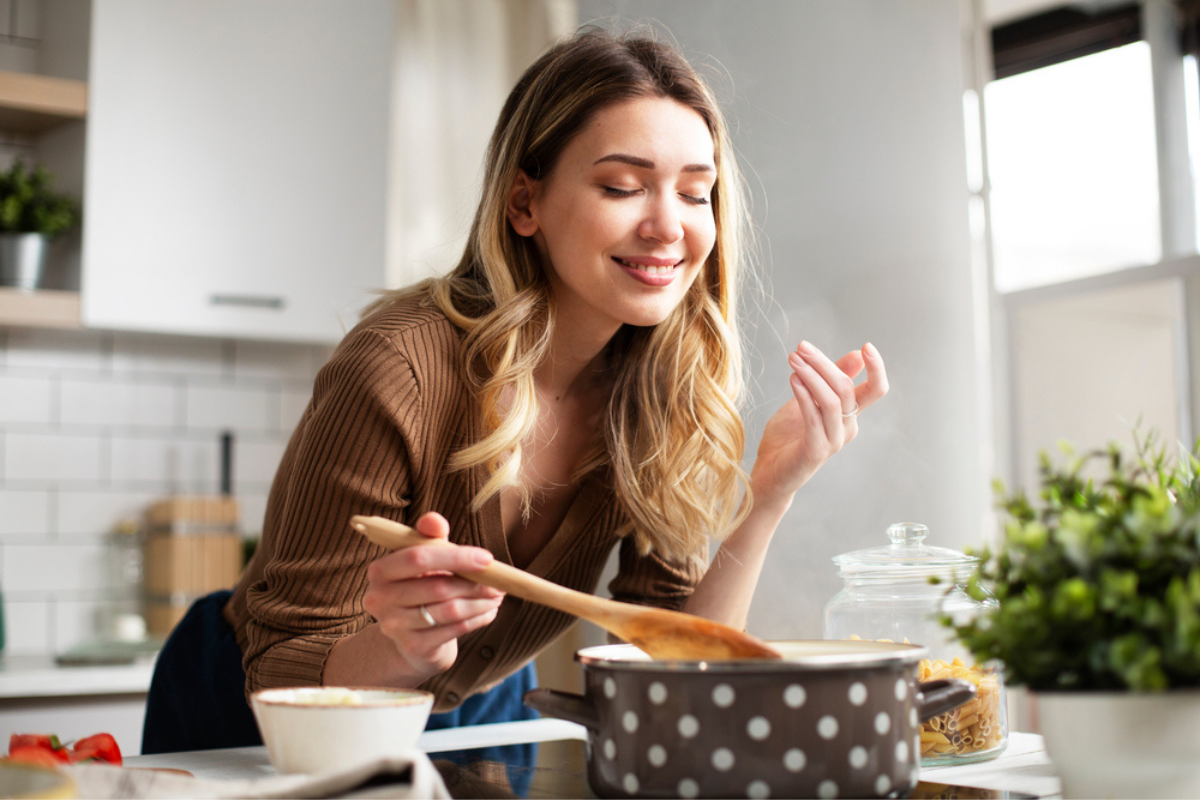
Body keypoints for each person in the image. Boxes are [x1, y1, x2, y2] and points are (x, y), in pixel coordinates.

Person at [142, 24, 888, 764]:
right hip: (257, 712)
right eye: (622, 186)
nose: (669, 226)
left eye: (697, 194)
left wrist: (766, 497)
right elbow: (284, 665)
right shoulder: (400, 366)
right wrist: (403, 644)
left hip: (477, 709)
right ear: (523, 203)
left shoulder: (657, 392)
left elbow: (677, 672)